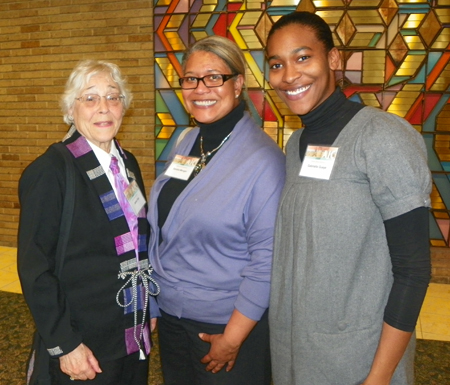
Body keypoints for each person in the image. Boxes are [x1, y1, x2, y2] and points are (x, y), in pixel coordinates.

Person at [266, 11, 432, 385]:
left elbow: (413, 271)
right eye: (277, 64)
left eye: (302, 57)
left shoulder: (382, 136)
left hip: (358, 363)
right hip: (297, 357)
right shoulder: (294, 146)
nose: (289, 75)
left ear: (334, 60)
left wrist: (378, 377)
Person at [147, 35, 285, 385]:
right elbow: (167, 226)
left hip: (226, 326)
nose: (200, 88)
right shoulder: (187, 141)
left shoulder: (264, 161)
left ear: (238, 84)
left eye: (213, 77)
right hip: (174, 319)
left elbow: (266, 260)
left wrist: (233, 338)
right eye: (191, 78)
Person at [18, 60, 158, 384]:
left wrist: (147, 308)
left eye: (113, 97)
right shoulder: (50, 172)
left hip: (131, 333)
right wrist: (65, 345)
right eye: (90, 98)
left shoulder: (127, 163)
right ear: (71, 109)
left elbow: (138, 242)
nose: (104, 108)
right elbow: (34, 269)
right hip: (84, 343)